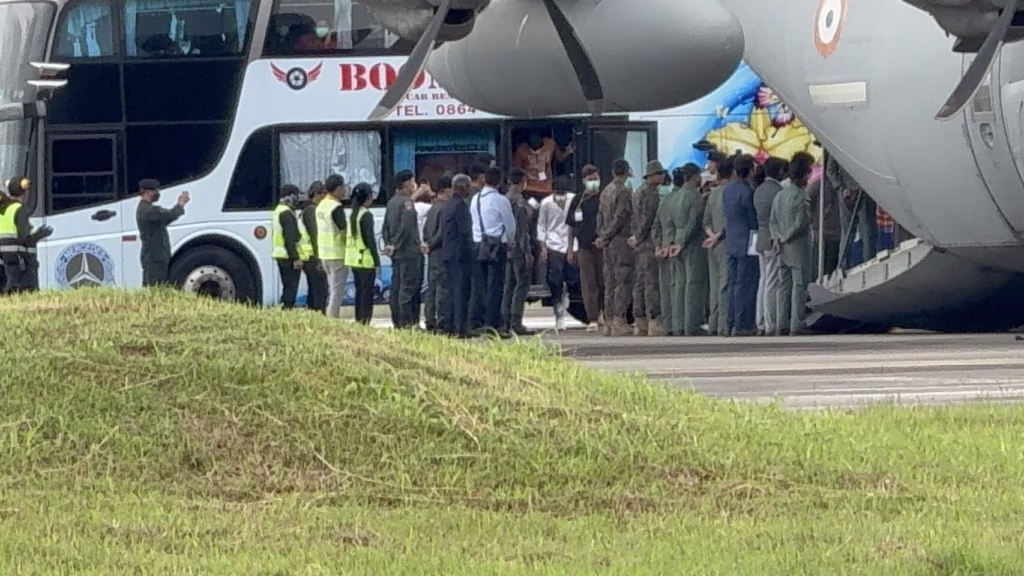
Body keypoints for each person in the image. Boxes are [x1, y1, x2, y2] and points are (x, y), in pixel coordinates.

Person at [771, 152, 815, 336]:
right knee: (799, 286)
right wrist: (787, 237)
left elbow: (772, 220)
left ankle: (781, 323)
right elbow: (801, 222)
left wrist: (777, 238)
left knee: (783, 286)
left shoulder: (779, 195)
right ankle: (797, 323)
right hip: (797, 247)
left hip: (781, 248)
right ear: (804, 176)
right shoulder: (801, 196)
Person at [469, 165, 516, 333]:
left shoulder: (476, 199)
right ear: (500, 181)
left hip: (478, 244)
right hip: (497, 246)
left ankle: (477, 320)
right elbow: (510, 225)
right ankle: (493, 322)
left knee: (479, 285)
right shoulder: (501, 200)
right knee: (496, 285)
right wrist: (511, 243)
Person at [594, 159, 634, 337]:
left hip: (607, 242)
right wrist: (608, 235)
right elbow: (621, 216)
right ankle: (619, 319)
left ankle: (607, 320)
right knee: (623, 280)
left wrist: (602, 236)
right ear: (626, 172)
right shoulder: (623, 192)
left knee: (609, 281)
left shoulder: (605, 191)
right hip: (619, 240)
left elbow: (600, 216)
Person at [668, 163, 709, 336]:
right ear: (693, 177)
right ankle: (691, 324)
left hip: (676, 241)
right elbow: (693, 223)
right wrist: (683, 242)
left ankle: (678, 324)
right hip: (691, 244)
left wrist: (673, 243)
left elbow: (669, 222)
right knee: (693, 284)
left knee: (679, 286)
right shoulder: (695, 197)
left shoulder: (675, 197)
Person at [381, 170, 424, 330]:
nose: (414, 185)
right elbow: (406, 227)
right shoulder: (407, 203)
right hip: (410, 253)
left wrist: (389, 244)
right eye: (413, 182)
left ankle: (398, 321)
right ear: (406, 184)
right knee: (409, 288)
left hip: (397, 255)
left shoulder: (391, 202)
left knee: (397, 287)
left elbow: (385, 227)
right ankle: (409, 322)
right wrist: (396, 244)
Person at [722, 155, 759, 336]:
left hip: (731, 240)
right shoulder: (749, 191)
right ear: (750, 170)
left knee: (733, 283)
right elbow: (753, 219)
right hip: (747, 241)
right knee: (745, 284)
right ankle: (743, 323)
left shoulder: (727, 190)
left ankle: (730, 321)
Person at [629, 160, 666, 337]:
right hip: (649, 243)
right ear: (652, 176)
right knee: (651, 283)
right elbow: (647, 220)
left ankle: (639, 321)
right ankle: (654, 321)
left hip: (639, 244)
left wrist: (634, 237)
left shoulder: (637, 192)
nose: (663, 176)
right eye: (660, 173)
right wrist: (639, 237)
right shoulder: (651, 194)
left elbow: (635, 219)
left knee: (640, 283)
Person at [752, 157, 788, 336]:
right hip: (773, 239)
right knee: (773, 282)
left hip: (761, 238)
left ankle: (761, 322)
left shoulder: (758, 190)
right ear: (780, 171)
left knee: (763, 281)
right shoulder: (778, 191)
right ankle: (771, 323)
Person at [566, 164, 604, 332]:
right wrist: (569, 248)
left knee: (604, 281)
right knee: (588, 284)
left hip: (603, 247)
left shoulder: (604, 198)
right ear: (583, 181)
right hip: (584, 247)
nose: (593, 183)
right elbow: (571, 227)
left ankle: (606, 314)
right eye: (590, 180)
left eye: (595, 179)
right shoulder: (578, 200)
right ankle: (593, 318)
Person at [438, 174, 475, 338]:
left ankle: (451, 325)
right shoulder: (460, 205)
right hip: (460, 255)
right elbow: (465, 231)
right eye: (468, 187)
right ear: (463, 187)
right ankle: (461, 327)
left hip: (448, 254)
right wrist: (472, 251)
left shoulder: (447, 205)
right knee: (461, 292)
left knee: (451, 291)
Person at [0, 178, 52, 293]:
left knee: (5, 280)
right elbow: (24, 238)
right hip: (14, 252)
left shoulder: (3, 209)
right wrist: (39, 235)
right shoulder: (19, 209)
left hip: (3, 252)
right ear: (24, 193)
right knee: (16, 283)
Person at [537, 175, 575, 332]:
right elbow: (542, 225)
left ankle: (567, 297)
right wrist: (543, 247)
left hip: (571, 243)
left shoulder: (573, 200)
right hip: (553, 244)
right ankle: (558, 311)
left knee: (573, 278)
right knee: (555, 278)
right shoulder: (546, 203)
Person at [501, 168, 536, 336]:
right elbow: (522, 229)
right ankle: (516, 321)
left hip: (507, 247)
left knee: (509, 285)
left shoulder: (505, 198)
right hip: (519, 249)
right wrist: (527, 252)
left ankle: (505, 320)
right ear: (522, 182)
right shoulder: (519, 200)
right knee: (521, 285)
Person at [136, 179, 189, 287]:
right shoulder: (147, 210)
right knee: (156, 286)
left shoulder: (146, 209)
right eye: (155, 191)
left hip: (155, 254)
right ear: (147, 192)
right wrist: (180, 204)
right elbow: (169, 215)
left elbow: (165, 219)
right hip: (155, 256)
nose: (157, 194)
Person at [702, 158, 732, 336]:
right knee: (725, 284)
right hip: (725, 241)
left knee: (714, 286)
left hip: (711, 243)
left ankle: (712, 323)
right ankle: (723, 324)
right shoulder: (730, 191)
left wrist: (711, 235)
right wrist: (719, 235)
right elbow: (731, 219)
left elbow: (705, 221)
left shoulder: (713, 193)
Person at [653, 169, 683, 335]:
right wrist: (672, 243)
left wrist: (659, 244)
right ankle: (679, 324)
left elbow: (656, 225)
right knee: (678, 286)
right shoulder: (680, 198)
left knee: (666, 288)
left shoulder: (664, 200)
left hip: (663, 248)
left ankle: (669, 323)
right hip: (675, 248)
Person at [346, 183, 381, 324]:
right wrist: (377, 262)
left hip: (355, 261)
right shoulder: (366, 215)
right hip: (366, 261)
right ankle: (365, 321)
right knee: (367, 295)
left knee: (359, 293)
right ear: (368, 197)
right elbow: (370, 241)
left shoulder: (354, 214)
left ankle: (359, 320)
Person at [315, 174, 349, 319]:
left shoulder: (321, 205)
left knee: (332, 288)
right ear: (338, 188)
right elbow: (343, 232)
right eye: (343, 188)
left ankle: (330, 317)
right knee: (337, 291)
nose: (344, 191)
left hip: (324, 253)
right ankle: (333, 319)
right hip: (337, 253)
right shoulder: (336, 207)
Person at [422, 176, 452, 332]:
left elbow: (426, 230)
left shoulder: (433, 208)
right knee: (442, 288)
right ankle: (442, 321)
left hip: (432, 254)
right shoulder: (445, 208)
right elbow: (442, 232)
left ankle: (429, 320)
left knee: (432, 288)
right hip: (441, 252)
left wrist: (428, 244)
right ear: (446, 190)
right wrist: (433, 244)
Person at [271, 185, 306, 309]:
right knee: (291, 288)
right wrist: (296, 257)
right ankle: (287, 310)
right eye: (296, 195)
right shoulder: (287, 213)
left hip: (281, 255)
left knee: (287, 286)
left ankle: (284, 308)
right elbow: (290, 238)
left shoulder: (278, 210)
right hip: (288, 256)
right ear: (290, 196)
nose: (298, 199)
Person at [301, 182, 328, 313]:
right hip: (313, 258)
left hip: (309, 257)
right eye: (324, 194)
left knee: (314, 290)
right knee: (320, 290)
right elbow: (315, 235)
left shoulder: (307, 210)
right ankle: (319, 315)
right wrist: (320, 259)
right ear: (317, 194)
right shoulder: (312, 211)